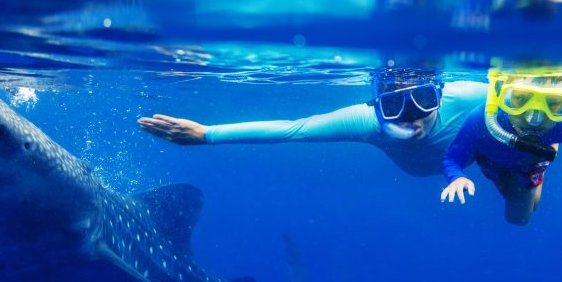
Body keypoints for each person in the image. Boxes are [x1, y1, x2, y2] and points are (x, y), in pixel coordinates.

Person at [138, 68, 487, 178]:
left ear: (440, 91)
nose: (412, 117)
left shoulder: (472, 95)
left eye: (424, 100)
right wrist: (206, 134)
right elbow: (294, 129)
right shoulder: (366, 121)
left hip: (482, 152)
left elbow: (531, 95)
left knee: (519, 214)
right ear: (378, 106)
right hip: (449, 163)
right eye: (395, 105)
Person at [439, 67, 562, 225]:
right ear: (499, 95)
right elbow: (452, 159)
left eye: (553, 102)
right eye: (521, 99)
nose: (534, 118)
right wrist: (456, 177)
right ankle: (543, 155)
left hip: (526, 164)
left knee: (518, 219)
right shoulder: (481, 118)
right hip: (490, 159)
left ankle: (538, 164)